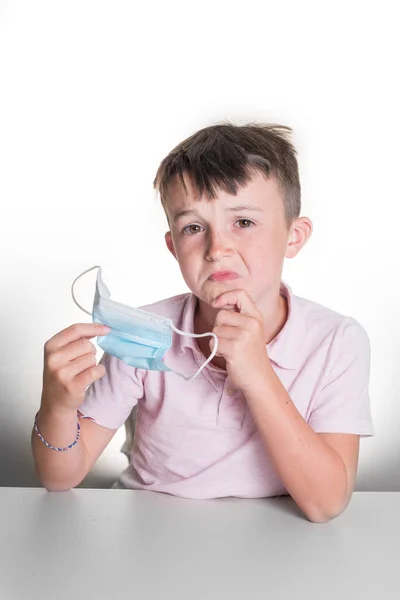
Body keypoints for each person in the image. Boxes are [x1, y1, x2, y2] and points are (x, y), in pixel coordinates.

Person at [32, 123, 374, 522]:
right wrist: (57, 407)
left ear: (293, 237)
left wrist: (258, 373)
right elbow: (60, 477)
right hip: (151, 533)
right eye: (193, 228)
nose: (218, 248)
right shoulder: (145, 332)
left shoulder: (336, 341)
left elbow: (326, 502)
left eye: (243, 222)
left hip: (276, 546)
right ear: (173, 246)